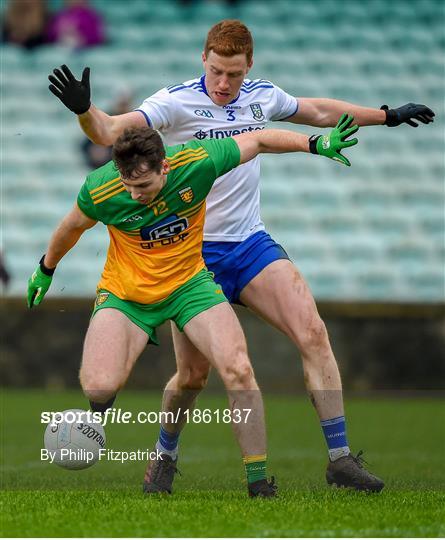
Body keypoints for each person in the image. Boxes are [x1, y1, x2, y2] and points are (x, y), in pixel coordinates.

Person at [47, 19, 434, 493]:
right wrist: (85, 111)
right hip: (190, 255)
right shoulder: (174, 101)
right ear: (202, 61)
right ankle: (164, 456)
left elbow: (315, 112)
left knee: (312, 331)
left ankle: (339, 459)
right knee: (192, 377)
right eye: (215, 72)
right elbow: (108, 131)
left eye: (233, 73)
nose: (224, 84)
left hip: (250, 244)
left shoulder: (262, 95)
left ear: (249, 65)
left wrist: (386, 115)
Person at [27, 119, 360, 496]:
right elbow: (72, 226)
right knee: (100, 385)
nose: (135, 194)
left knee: (238, 367)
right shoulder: (101, 188)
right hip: (126, 294)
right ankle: (99, 415)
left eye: (144, 185)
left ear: (164, 167)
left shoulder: (198, 163)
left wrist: (313, 143)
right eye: (129, 186)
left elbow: (260, 139)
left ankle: (258, 482)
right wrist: (45, 268)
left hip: (190, 285)